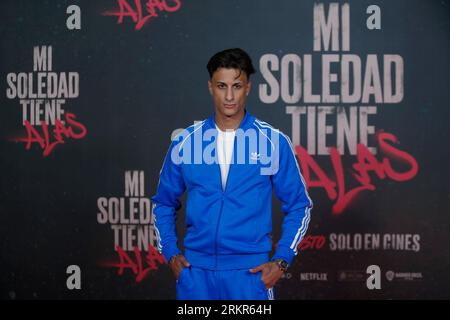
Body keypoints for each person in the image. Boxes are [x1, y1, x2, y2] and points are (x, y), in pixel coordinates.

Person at [151, 48, 313, 300]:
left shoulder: (272, 142)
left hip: (250, 275)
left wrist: (281, 261)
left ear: (248, 87)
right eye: (221, 86)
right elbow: (162, 203)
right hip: (195, 275)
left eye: (236, 86)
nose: (229, 96)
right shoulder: (185, 142)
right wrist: (171, 253)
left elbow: (299, 206)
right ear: (210, 87)